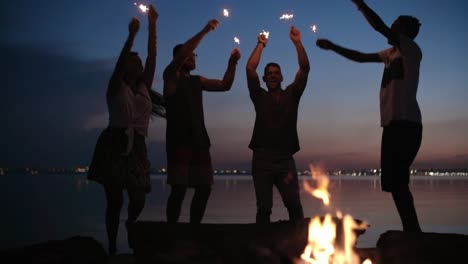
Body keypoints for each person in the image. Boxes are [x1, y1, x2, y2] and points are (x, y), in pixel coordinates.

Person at [316, 0, 423, 232]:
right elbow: (360, 57)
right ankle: (411, 230)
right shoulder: (390, 54)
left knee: (400, 182)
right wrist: (333, 47)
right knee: (394, 183)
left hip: (407, 124)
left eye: (394, 27)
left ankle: (413, 233)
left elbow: (379, 27)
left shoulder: (410, 50)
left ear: (403, 32)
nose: (390, 29)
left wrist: (359, 4)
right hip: (392, 125)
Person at [87, 5, 165, 254]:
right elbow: (120, 63)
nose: (139, 63)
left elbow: (152, 56)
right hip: (115, 143)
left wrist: (152, 24)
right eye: (135, 60)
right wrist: (131, 36)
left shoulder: (143, 87)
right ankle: (111, 246)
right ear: (126, 67)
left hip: (138, 145)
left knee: (139, 197)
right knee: (114, 200)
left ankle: (131, 224)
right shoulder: (115, 87)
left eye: (139, 61)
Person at [163, 19, 241, 224]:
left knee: (204, 188)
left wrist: (232, 63)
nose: (193, 57)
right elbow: (182, 53)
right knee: (179, 189)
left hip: (199, 141)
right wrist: (206, 29)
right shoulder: (170, 76)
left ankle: (193, 229)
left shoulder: (198, 81)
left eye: (194, 55)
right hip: (179, 140)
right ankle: (171, 230)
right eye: (190, 54)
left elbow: (225, 85)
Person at [246, 25, 310, 224]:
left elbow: (305, 68)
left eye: (276, 73)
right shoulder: (259, 96)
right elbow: (250, 68)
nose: (273, 75)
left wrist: (297, 42)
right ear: (264, 79)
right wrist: (261, 44)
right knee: (264, 208)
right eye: (269, 73)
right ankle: (262, 248)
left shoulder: (292, 93)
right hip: (262, 159)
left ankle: (299, 247)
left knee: (294, 206)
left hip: (285, 159)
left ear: (282, 77)